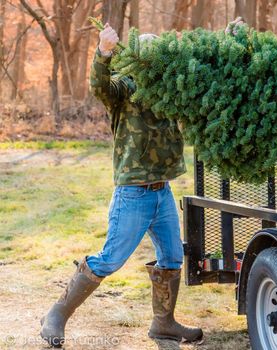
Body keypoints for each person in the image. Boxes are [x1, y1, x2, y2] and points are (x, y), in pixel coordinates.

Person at [39, 17, 245, 348]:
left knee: (172, 256)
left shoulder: (168, 91)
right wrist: (103, 53)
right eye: (148, 55)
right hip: (133, 193)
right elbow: (99, 86)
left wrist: (224, 39)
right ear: (137, 58)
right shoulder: (123, 88)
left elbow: (199, 72)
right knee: (110, 259)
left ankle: (163, 324)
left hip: (162, 191)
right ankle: (56, 316)